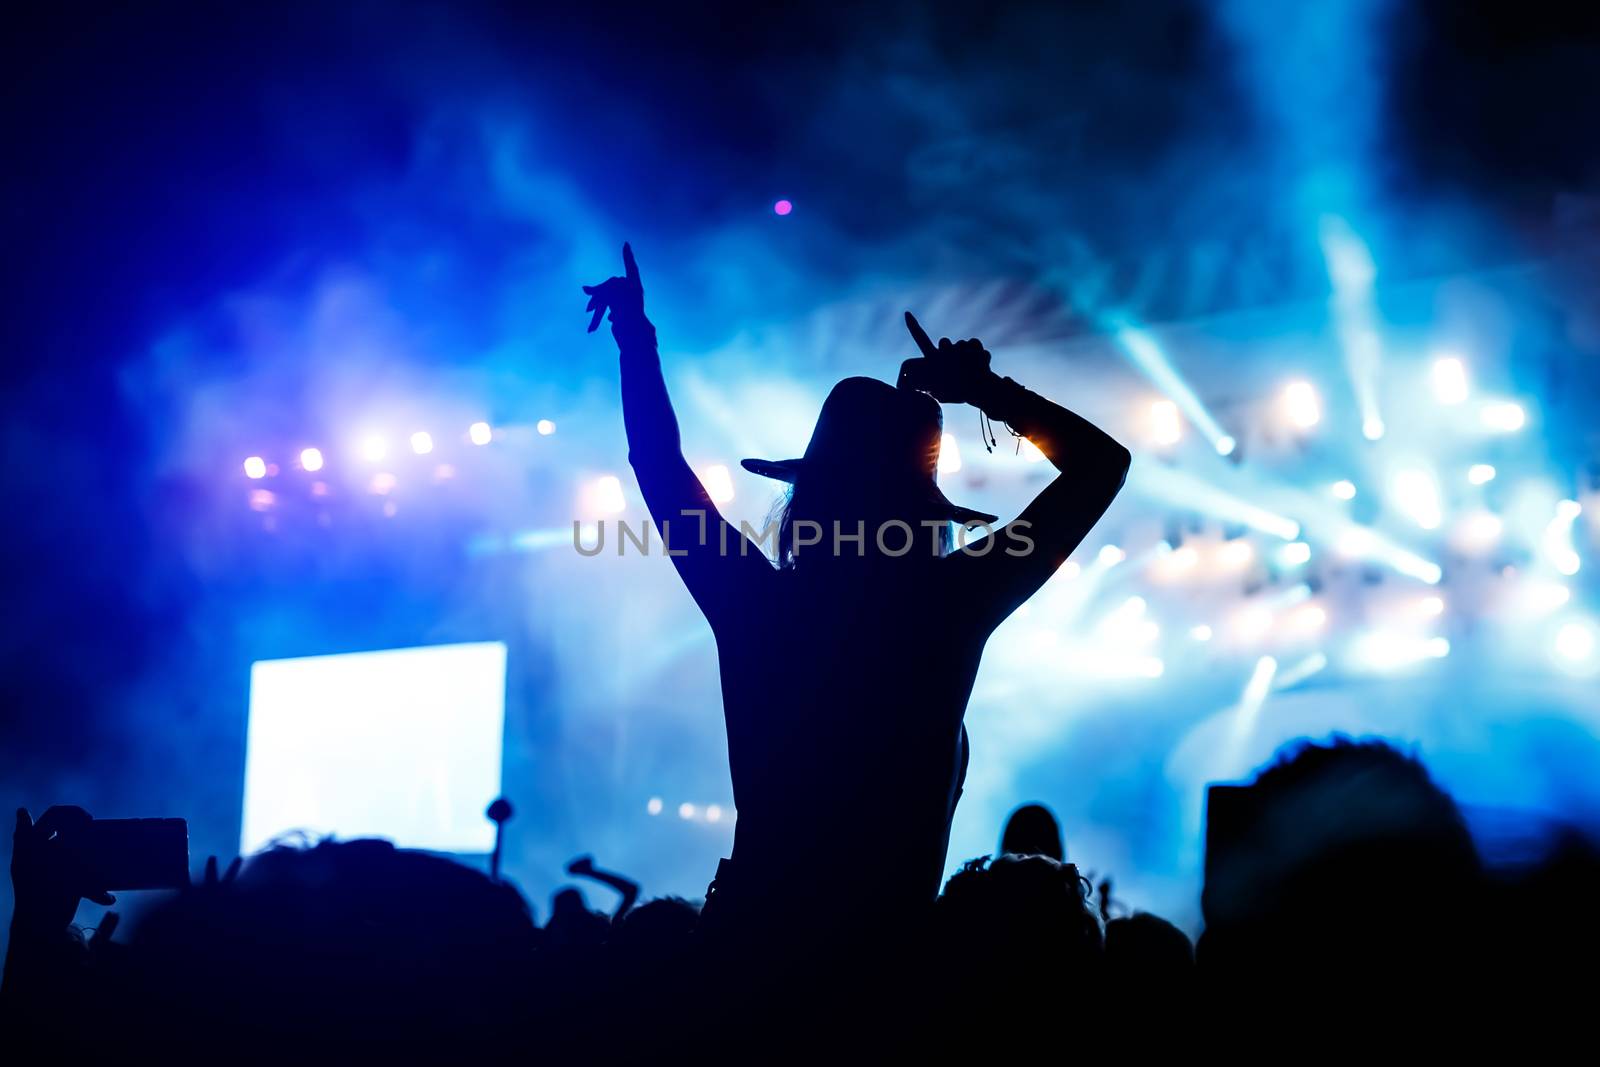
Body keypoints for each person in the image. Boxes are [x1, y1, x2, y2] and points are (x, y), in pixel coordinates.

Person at [583, 245, 1130, 940]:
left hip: (747, 952)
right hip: (878, 975)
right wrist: (988, 392)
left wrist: (637, 339)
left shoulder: (756, 600)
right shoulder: (950, 605)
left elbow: (658, 463)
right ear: (926, 512)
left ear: (807, 496)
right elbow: (1103, 467)